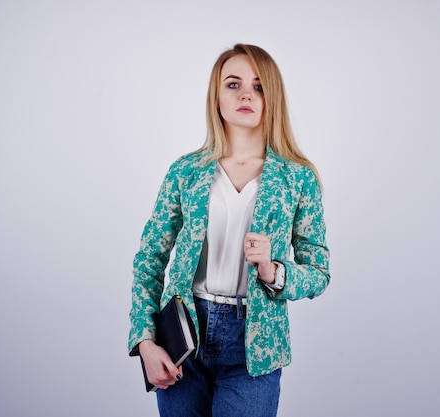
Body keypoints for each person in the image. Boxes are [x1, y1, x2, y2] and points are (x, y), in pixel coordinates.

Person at [128, 43, 330, 417]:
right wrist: (145, 341)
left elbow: (319, 271)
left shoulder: (298, 178)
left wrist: (274, 271)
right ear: (216, 96)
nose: (246, 95)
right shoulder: (185, 171)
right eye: (233, 84)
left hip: (255, 346)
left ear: (272, 98)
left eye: (259, 86)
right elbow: (149, 260)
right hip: (182, 338)